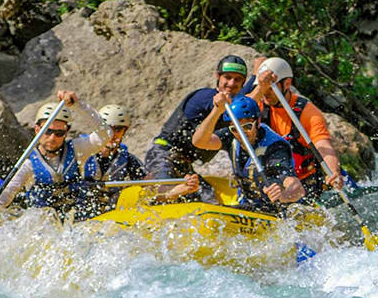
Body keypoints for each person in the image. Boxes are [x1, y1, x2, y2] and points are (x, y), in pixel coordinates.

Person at [0, 90, 112, 220]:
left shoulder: (78, 150)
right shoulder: (29, 165)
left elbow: (106, 133)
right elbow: (7, 195)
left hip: (75, 221)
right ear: (37, 129)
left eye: (59, 133)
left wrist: (78, 105)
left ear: (66, 133)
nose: (52, 138)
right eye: (48, 131)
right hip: (45, 225)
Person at [143, 55, 250, 202]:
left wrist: (260, 82)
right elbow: (228, 105)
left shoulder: (235, 106)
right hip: (163, 154)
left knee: (209, 197)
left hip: (184, 165)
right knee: (164, 192)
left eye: (237, 79)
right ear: (218, 76)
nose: (231, 83)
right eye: (227, 77)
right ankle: (167, 194)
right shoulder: (205, 96)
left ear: (243, 83)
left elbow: (246, 103)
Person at [245, 57, 344, 201]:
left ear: (287, 84)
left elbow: (323, 146)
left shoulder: (308, 113)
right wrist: (261, 87)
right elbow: (237, 113)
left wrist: (333, 171)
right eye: (263, 87)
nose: (266, 93)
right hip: (274, 178)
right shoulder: (258, 105)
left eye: (270, 87)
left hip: (304, 182)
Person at [191, 93, 304, 214]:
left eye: (247, 126)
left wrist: (283, 195)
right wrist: (217, 110)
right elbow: (199, 141)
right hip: (248, 205)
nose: (242, 133)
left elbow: (297, 187)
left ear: (258, 121)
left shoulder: (275, 148)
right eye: (235, 129)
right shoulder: (232, 135)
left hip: (274, 210)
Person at [92, 104, 147, 210]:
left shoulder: (129, 161)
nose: (112, 134)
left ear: (124, 132)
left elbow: (149, 188)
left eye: (118, 129)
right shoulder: (81, 154)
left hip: (111, 215)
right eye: (107, 128)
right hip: (80, 214)